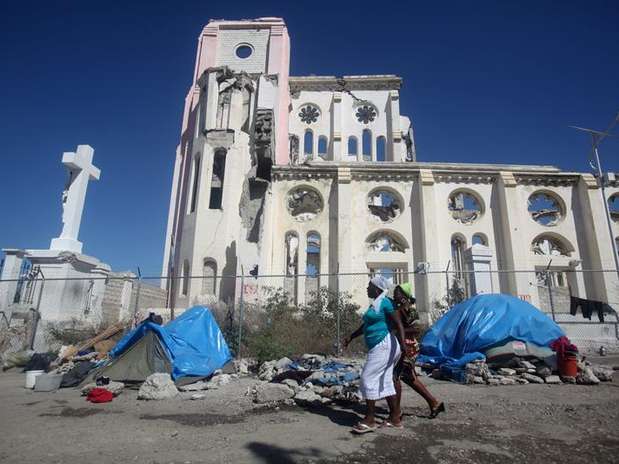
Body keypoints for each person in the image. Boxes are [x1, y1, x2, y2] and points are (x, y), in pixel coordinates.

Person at [343, 276, 406, 433]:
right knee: (384, 381)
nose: (366, 288)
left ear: (377, 289)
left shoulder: (385, 302)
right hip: (380, 346)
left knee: (367, 378)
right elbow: (366, 325)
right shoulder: (375, 305)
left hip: (384, 345)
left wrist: (404, 345)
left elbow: (398, 323)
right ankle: (395, 419)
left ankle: (370, 420)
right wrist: (351, 337)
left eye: (369, 286)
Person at [391, 283, 445, 419]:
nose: (394, 295)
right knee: (409, 378)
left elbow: (416, 329)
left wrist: (398, 330)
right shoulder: (399, 308)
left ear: (404, 296)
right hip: (404, 346)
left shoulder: (410, 310)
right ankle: (434, 403)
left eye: (397, 293)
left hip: (408, 347)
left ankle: (396, 412)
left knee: (396, 378)